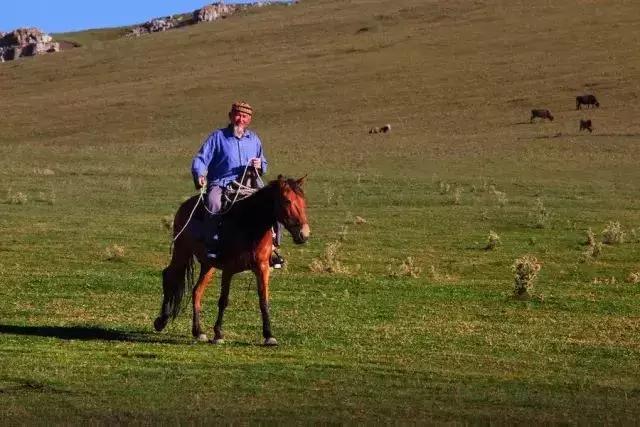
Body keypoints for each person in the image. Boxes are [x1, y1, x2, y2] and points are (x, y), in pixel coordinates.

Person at [191, 101, 284, 266]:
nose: (241, 119)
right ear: (231, 116)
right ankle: (212, 247)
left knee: (276, 202)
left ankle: (273, 248)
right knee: (213, 203)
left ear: (249, 120)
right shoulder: (217, 137)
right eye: (238, 115)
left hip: (250, 184)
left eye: (245, 116)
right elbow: (201, 159)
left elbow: (264, 163)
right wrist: (199, 174)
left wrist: (259, 165)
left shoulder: (254, 139)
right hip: (222, 183)